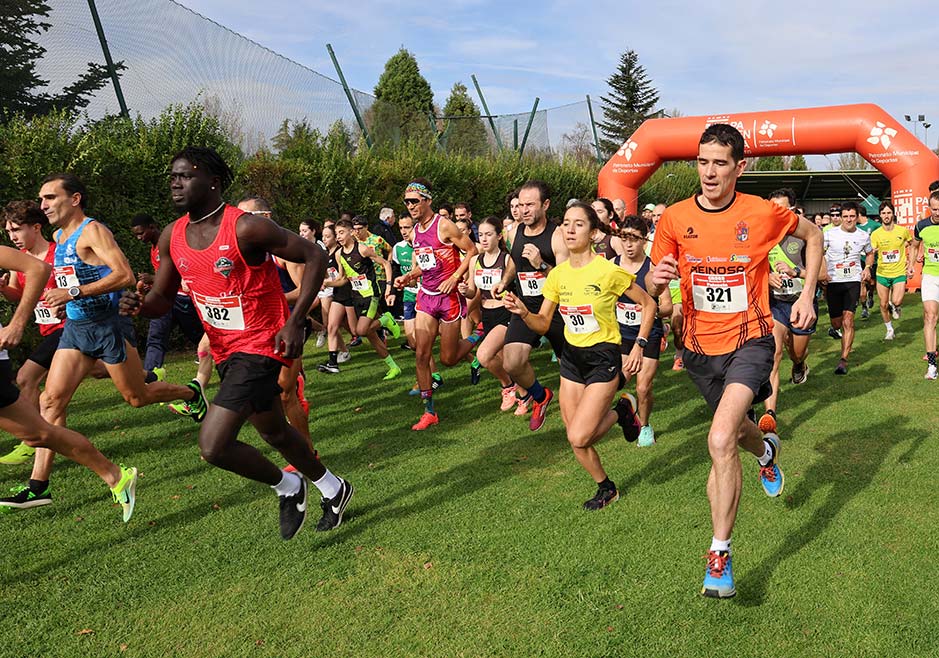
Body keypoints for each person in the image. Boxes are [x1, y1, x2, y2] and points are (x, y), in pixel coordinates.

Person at [122, 146, 353, 537]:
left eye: (185, 175)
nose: (175, 183)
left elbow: (314, 256)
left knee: (213, 445)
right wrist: (140, 306)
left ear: (212, 181)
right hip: (226, 349)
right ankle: (334, 488)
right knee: (274, 432)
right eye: (172, 176)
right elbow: (162, 300)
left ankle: (288, 485)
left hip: (263, 345)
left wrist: (296, 322)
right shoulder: (172, 236)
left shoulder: (245, 227)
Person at [646, 123, 821, 599]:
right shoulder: (674, 218)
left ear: (739, 167)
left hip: (752, 341)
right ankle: (766, 451)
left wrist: (806, 294)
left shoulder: (763, 213)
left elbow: (814, 235)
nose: (708, 172)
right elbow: (655, 289)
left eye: (719, 163)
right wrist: (658, 282)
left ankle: (719, 555)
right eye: (702, 161)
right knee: (738, 434)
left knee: (720, 438)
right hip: (700, 350)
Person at [0, 173, 205, 512]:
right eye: (41, 199)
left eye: (50, 197)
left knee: (137, 397)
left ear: (75, 199)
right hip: (76, 329)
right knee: (50, 402)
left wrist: (74, 292)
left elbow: (123, 274)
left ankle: (191, 394)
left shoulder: (93, 231)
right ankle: (39, 487)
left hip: (108, 326)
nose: (43, 205)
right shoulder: (57, 236)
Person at [505, 202, 655, 510]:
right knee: (575, 437)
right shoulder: (557, 275)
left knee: (578, 436)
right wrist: (523, 312)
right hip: (572, 359)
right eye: (567, 224)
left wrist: (639, 344)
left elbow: (649, 304)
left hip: (603, 358)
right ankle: (606, 487)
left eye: (579, 225)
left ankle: (620, 411)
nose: (570, 230)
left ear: (594, 233)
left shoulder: (608, 270)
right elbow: (544, 323)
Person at [0, 243, 138, 519]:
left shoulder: (82, 237)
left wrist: (16, 324)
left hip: (77, 328)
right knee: (44, 419)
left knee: (41, 430)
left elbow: (38, 268)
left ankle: (113, 474)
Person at [0, 201, 105, 466]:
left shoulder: (57, 255)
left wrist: (65, 303)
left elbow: (77, 288)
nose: (12, 236)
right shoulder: (17, 262)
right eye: (8, 231)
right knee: (105, 373)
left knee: (26, 378)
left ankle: (31, 439)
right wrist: (3, 290)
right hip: (49, 331)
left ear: (36, 227)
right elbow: (18, 295)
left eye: (16, 229)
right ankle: (144, 375)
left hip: (68, 327)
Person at [393, 179, 480, 431]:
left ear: (427, 200)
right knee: (421, 354)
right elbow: (426, 264)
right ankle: (429, 411)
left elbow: (471, 249)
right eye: (407, 202)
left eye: (415, 201)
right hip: (426, 297)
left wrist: (455, 278)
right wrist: (409, 276)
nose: (410, 206)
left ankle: (478, 336)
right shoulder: (416, 232)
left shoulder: (444, 226)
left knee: (449, 358)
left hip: (449, 298)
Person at [494, 180, 569, 428]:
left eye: (530, 205)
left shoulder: (557, 236)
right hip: (525, 307)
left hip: (556, 310)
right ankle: (540, 396)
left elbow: (567, 279)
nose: (524, 210)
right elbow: (514, 262)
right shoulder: (514, 231)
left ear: (545, 205)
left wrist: (542, 266)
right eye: (521, 205)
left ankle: (583, 413)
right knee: (512, 362)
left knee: (569, 369)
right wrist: (504, 281)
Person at [759, 188, 820, 433]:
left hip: (801, 303)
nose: (777, 213)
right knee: (773, 356)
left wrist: (796, 272)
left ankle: (799, 365)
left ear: (793, 210)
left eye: (782, 208)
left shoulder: (806, 237)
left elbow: (823, 274)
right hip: (775, 304)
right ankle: (770, 415)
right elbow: (753, 269)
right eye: (773, 208)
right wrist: (767, 276)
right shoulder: (763, 236)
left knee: (796, 352)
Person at [614, 214, 669, 447]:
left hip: (649, 335)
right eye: (624, 238)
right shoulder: (611, 266)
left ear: (644, 241)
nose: (628, 244)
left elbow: (667, 306)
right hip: (622, 334)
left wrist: (650, 311)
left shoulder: (652, 268)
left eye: (634, 239)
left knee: (643, 386)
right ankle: (630, 408)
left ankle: (645, 426)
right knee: (617, 383)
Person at [130, 213, 204, 383]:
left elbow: (182, 273)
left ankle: (224, 357)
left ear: (152, 227)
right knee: (155, 337)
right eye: (136, 235)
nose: (139, 238)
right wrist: (154, 285)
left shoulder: (171, 244)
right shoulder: (153, 249)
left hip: (183, 299)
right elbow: (164, 277)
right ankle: (150, 376)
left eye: (141, 233)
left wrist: (153, 279)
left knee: (199, 336)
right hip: (165, 299)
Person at [329, 219, 401, 379]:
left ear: (351, 232)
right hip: (356, 296)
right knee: (363, 333)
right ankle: (394, 367)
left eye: (341, 233)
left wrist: (389, 287)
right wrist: (326, 282)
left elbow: (386, 264)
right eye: (336, 234)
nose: (338, 237)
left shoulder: (362, 249)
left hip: (371, 295)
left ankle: (386, 319)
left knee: (361, 330)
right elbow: (342, 279)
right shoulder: (339, 254)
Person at [458, 216, 515, 409]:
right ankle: (524, 394)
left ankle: (507, 387)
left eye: (488, 234)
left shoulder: (507, 259)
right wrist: (466, 291)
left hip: (506, 313)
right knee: (505, 361)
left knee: (483, 355)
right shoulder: (475, 261)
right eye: (480, 234)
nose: (484, 239)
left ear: (499, 236)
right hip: (486, 314)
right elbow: (474, 291)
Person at [823, 201, 872, 375]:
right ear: (841, 217)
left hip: (853, 280)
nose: (849, 220)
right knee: (837, 323)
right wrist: (822, 273)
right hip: (834, 281)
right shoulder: (829, 234)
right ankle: (834, 329)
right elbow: (819, 254)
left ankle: (843, 360)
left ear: (857, 217)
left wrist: (867, 268)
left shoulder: (863, 236)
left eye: (852, 216)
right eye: (846, 217)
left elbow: (870, 253)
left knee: (848, 321)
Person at [869, 201, 913, 340]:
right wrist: (873, 251)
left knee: (897, 300)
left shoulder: (902, 230)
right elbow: (871, 250)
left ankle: (897, 306)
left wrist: (910, 261)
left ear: (893, 214)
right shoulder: (876, 234)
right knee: (882, 304)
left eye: (888, 213)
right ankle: (889, 329)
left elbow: (911, 243)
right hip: (882, 272)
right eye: (883, 213)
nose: (886, 216)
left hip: (899, 272)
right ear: (880, 215)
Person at [912, 190, 939, 380]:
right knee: (930, 316)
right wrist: (911, 265)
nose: (938, 212)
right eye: (935, 209)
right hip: (930, 275)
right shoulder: (921, 226)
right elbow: (914, 245)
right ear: (929, 208)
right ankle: (932, 364)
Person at [856, 209, 882, 319]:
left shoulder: (875, 225)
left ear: (859, 214)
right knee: (862, 282)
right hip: (860, 259)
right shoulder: (855, 227)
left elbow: (883, 238)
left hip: (873, 259)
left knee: (871, 283)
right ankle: (864, 308)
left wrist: (876, 248)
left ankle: (871, 295)